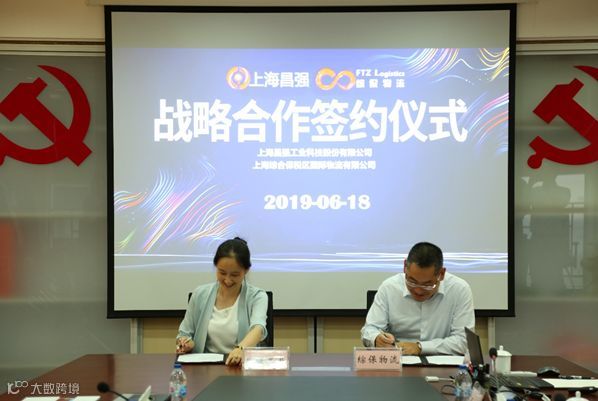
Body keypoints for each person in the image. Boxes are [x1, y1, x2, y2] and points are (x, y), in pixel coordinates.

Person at [361, 241, 474, 356]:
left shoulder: (459, 290)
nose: (418, 291)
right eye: (412, 282)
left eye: (427, 285)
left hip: (444, 363)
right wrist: (377, 339)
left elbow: (463, 341)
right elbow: (370, 329)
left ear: (441, 274)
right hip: (399, 360)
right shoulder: (389, 287)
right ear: (405, 267)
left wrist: (420, 347)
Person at [176, 237, 268, 366]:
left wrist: (240, 349)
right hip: (205, 368)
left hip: (240, 366)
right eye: (222, 273)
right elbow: (184, 333)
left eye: (234, 275)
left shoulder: (257, 296)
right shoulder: (200, 294)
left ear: (246, 270)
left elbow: (258, 329)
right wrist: (186, 344)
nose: (227, 280)